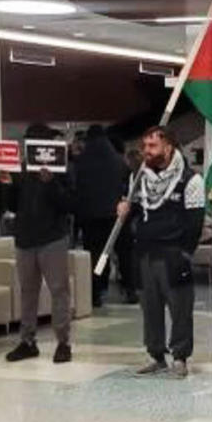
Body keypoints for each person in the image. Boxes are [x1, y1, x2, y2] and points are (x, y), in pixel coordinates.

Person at [121, 127, 206, 379]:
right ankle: (155, 355)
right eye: (144, 146)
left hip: (174, 254)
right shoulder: (139, 178)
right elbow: (134, 213)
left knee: (180, 308)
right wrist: (125, 209)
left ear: (168, 147)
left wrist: (184, 254)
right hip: (145, 253)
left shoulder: (191, 180)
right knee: (150, 307)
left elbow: (195, 224)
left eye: (152, 146)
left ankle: (180, 356)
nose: (146, 152)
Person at [0, 123, 76, 364]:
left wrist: (51, 183)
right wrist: (6, 185)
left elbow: (70, 204)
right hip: (25, 238)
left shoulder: (63, 168)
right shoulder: (20, 170)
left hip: (52, 237)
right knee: (28, 292)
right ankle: (27, 341)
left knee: (58, 290)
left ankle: (63, 342)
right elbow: (13, 205)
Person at [75, 125, 128, 307]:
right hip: (116, 214)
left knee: (96, 254)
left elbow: (77, 188)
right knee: (122, 253)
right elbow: (126, 183)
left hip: (90, 216)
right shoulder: (117, 160)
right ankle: (130, 289)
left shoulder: (82, 161)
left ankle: (96, 292)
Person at [113, 147, 143, 304]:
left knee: (129, 254)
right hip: (142, 215)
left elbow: (132, 199)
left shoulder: (133, 175)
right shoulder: (144, 173)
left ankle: (132, 285)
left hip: (134, 214)